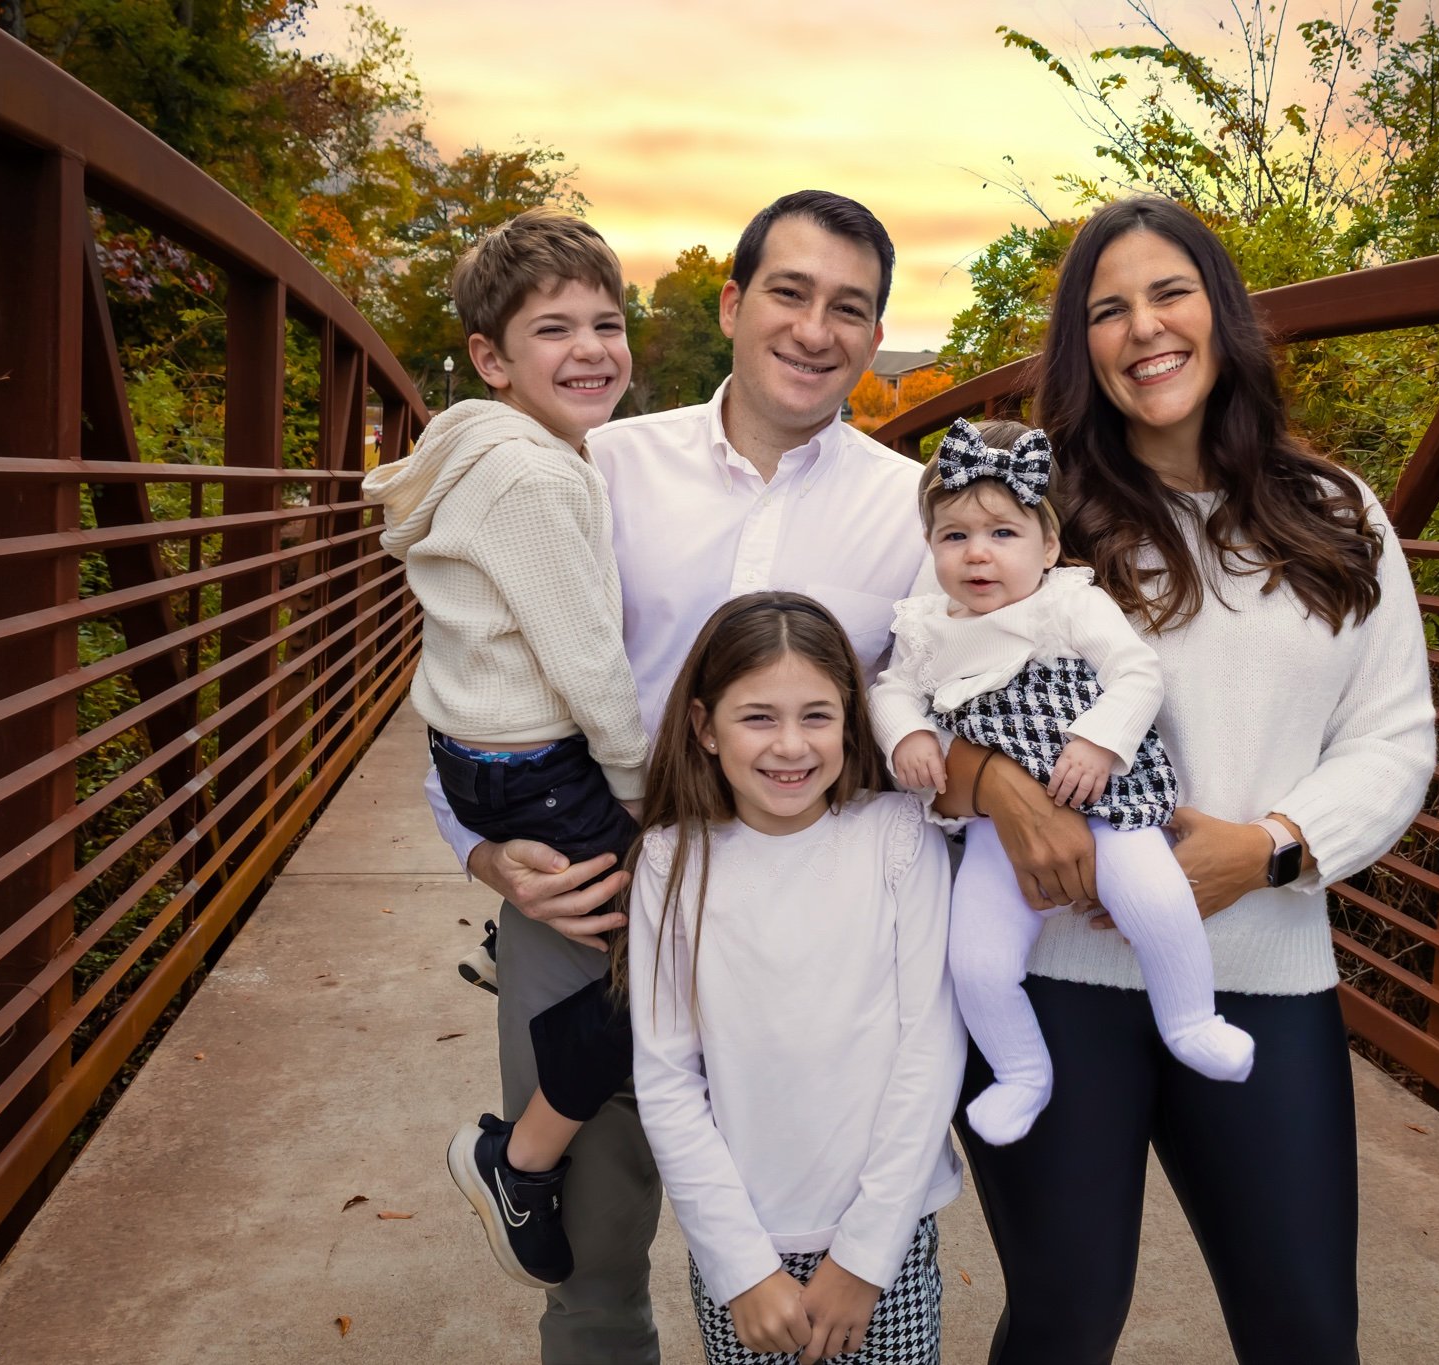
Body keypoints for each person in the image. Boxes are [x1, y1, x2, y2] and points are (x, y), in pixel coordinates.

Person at [425, 190, 930, 1364]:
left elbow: (948, 704)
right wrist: (485, 853)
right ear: (731, 301)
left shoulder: (914, 511)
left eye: (849, 309)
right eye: (789, 293)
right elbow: (467, 678)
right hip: (586, 903)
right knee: (593, 1274)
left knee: (785, 1256)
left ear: (873, 332)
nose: (815, 330)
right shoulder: (588, 468)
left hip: (800, 943)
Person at [937, 197, 1436, 1363]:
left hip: (1262, 971)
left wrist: (1268, 844)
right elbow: (908, 684)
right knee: (1061, 1325)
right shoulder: (1030, 518)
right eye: (1105, 311)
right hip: (1055, 972)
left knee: (1305, 1332)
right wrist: (984, 781)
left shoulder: (1335, 513)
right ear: (1080, 349)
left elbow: (1394, 738)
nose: (1142, 329)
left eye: (1168, 294)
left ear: (1220, 314)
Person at [360, 209, 645, 1289]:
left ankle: (508, 950)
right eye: (552, 331)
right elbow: (586, 664)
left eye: (605, 324)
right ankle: (513, 1161)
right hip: (544, 764)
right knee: (672, 966)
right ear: (491, 358)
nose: (588, 350)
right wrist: (642, 792)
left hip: (486, 759)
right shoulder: (533, 478)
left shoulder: (488, 448)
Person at [870, 417, 1253, 1148]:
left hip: (1106, 799)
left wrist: (1100, 740)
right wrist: (910, 733)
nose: (978, 554)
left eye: (1004, 534)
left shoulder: (1068, 602)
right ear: (931, 549)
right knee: (976, 958)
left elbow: (1137, 671)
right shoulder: (926, 627)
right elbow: (890, 691)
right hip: (999, 830)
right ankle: (1021, 1072)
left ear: (1047, 546)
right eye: (954, 537)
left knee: (1159, 900)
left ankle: (1191, 1019)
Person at [630, 592, 964, 1365]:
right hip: (743, 1246)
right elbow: (668, 1075)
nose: (790, 745)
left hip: (886, 1239)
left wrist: (864, 1258)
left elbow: (930, 1049)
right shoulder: (670, 862)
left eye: (817, 715)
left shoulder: (899, 839)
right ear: (704, 727)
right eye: (757, 717)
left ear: (852, 720)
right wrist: (741, 1268)